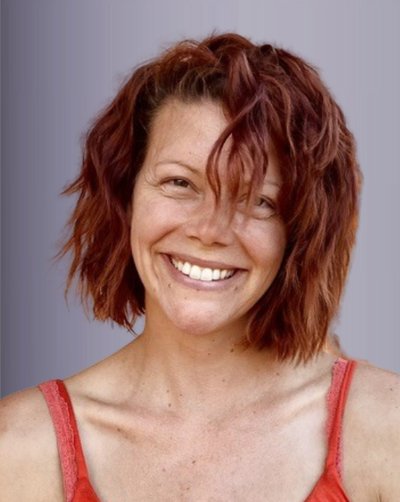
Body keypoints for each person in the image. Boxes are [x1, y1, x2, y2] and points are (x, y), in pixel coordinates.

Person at [0, 32, 399, 502]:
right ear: (125, 197)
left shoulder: (384, 429)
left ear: (301, 231)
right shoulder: (19, 447)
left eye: (258, 200)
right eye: (179, 183)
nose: (210, 230)